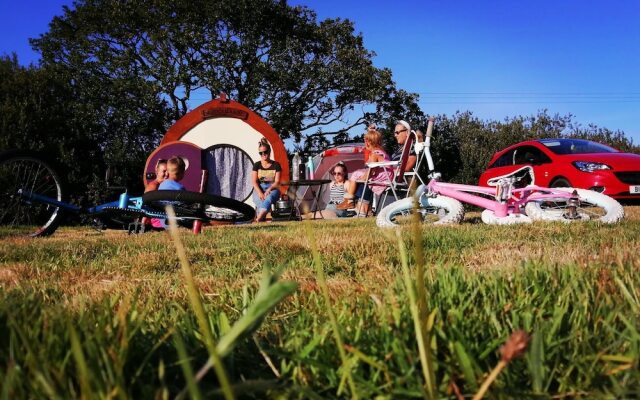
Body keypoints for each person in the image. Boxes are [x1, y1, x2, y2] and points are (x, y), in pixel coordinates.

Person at [336, 125, 392, 215]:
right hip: (385, 175)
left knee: (356, 175)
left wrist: (363, 177)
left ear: (368, 142)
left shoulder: (375, 154)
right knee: (360, 177)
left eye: (365, 141)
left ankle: (350, 201)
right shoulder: (382, 152)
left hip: (384, 177)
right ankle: (363, 209)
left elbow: (372, 170)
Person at [251, 138, 281, 222]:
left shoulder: (276, 165)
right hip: (259, 188)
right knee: (259, 199)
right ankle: (262, 217)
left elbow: (277, 182)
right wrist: (260, 192)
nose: (263, 154)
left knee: (269, 197)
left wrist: (269, 189)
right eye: (261, 153)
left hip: (273, 188)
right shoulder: (257, 165)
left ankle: (259, 217)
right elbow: (254, 181)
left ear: (269, 151)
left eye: (265, 152)